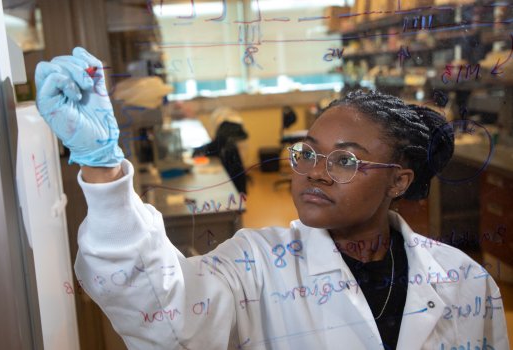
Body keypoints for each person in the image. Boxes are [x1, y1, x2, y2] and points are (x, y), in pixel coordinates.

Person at [35, 48, 509, 350]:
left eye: (345, 161)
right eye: (307, 154)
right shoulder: (255, 263)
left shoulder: (465, 280)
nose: (314, 174)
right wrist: (103, 166)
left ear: (399, 182)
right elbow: (164, 312)